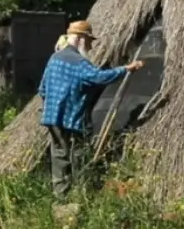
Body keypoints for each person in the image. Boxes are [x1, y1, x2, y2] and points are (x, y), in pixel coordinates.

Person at [38, 19, 143, 199]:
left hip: (52, 117)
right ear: (79, 39)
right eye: (88, 42)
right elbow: (98, 77)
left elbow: (42, 89)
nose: (90, 47)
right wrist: (126, 69)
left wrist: (54, 105)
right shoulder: (79, 62)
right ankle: (81, 194)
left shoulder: (54, 59)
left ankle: (61, 197)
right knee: (78, 155)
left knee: (59, 156)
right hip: (72, 118)